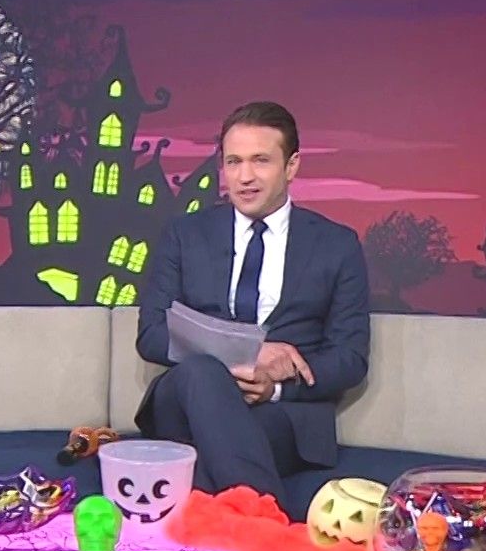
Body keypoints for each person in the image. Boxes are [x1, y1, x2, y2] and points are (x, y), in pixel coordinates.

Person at [135, 101, 370, 512]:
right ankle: (267, 526)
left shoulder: (337, 245)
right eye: (233, 162)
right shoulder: (185, 235)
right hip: (184, 401)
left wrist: (275, 387)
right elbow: (152, 335)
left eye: (260, 160)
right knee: (204, 372)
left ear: (291, 166)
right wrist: (247, 353)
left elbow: (349, 359)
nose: (244, 177)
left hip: (280, 414)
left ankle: (226, 522)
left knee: (218, 452)